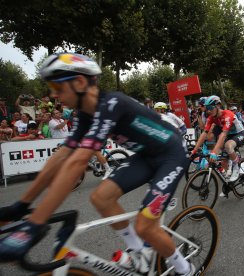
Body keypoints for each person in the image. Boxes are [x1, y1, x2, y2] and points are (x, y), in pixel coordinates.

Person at [0, 53, 195, 275]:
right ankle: (139, 252)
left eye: (57, 86)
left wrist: (34, 225)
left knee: (144, 226)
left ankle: (185, 269)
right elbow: (62, 156)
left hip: (171, 156)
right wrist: (21, 205)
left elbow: (78, 163)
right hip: (146, 156)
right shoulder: (85, 114)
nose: (53, 94)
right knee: (100, 197)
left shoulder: (112, 103)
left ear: (80, 82)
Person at [191, 95, 244, 186]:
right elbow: (204, 133)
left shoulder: (228, 115)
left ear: (218, 106)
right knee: (223, 159)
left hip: (239, 134)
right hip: (228, 136)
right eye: (207, 108)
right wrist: (194, 150)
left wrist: (214, 152)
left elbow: (223, 135)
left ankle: (236, 167)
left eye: (211, 108)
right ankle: (227, 182)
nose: (208, 111)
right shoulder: (211, 118)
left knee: (227, 146)